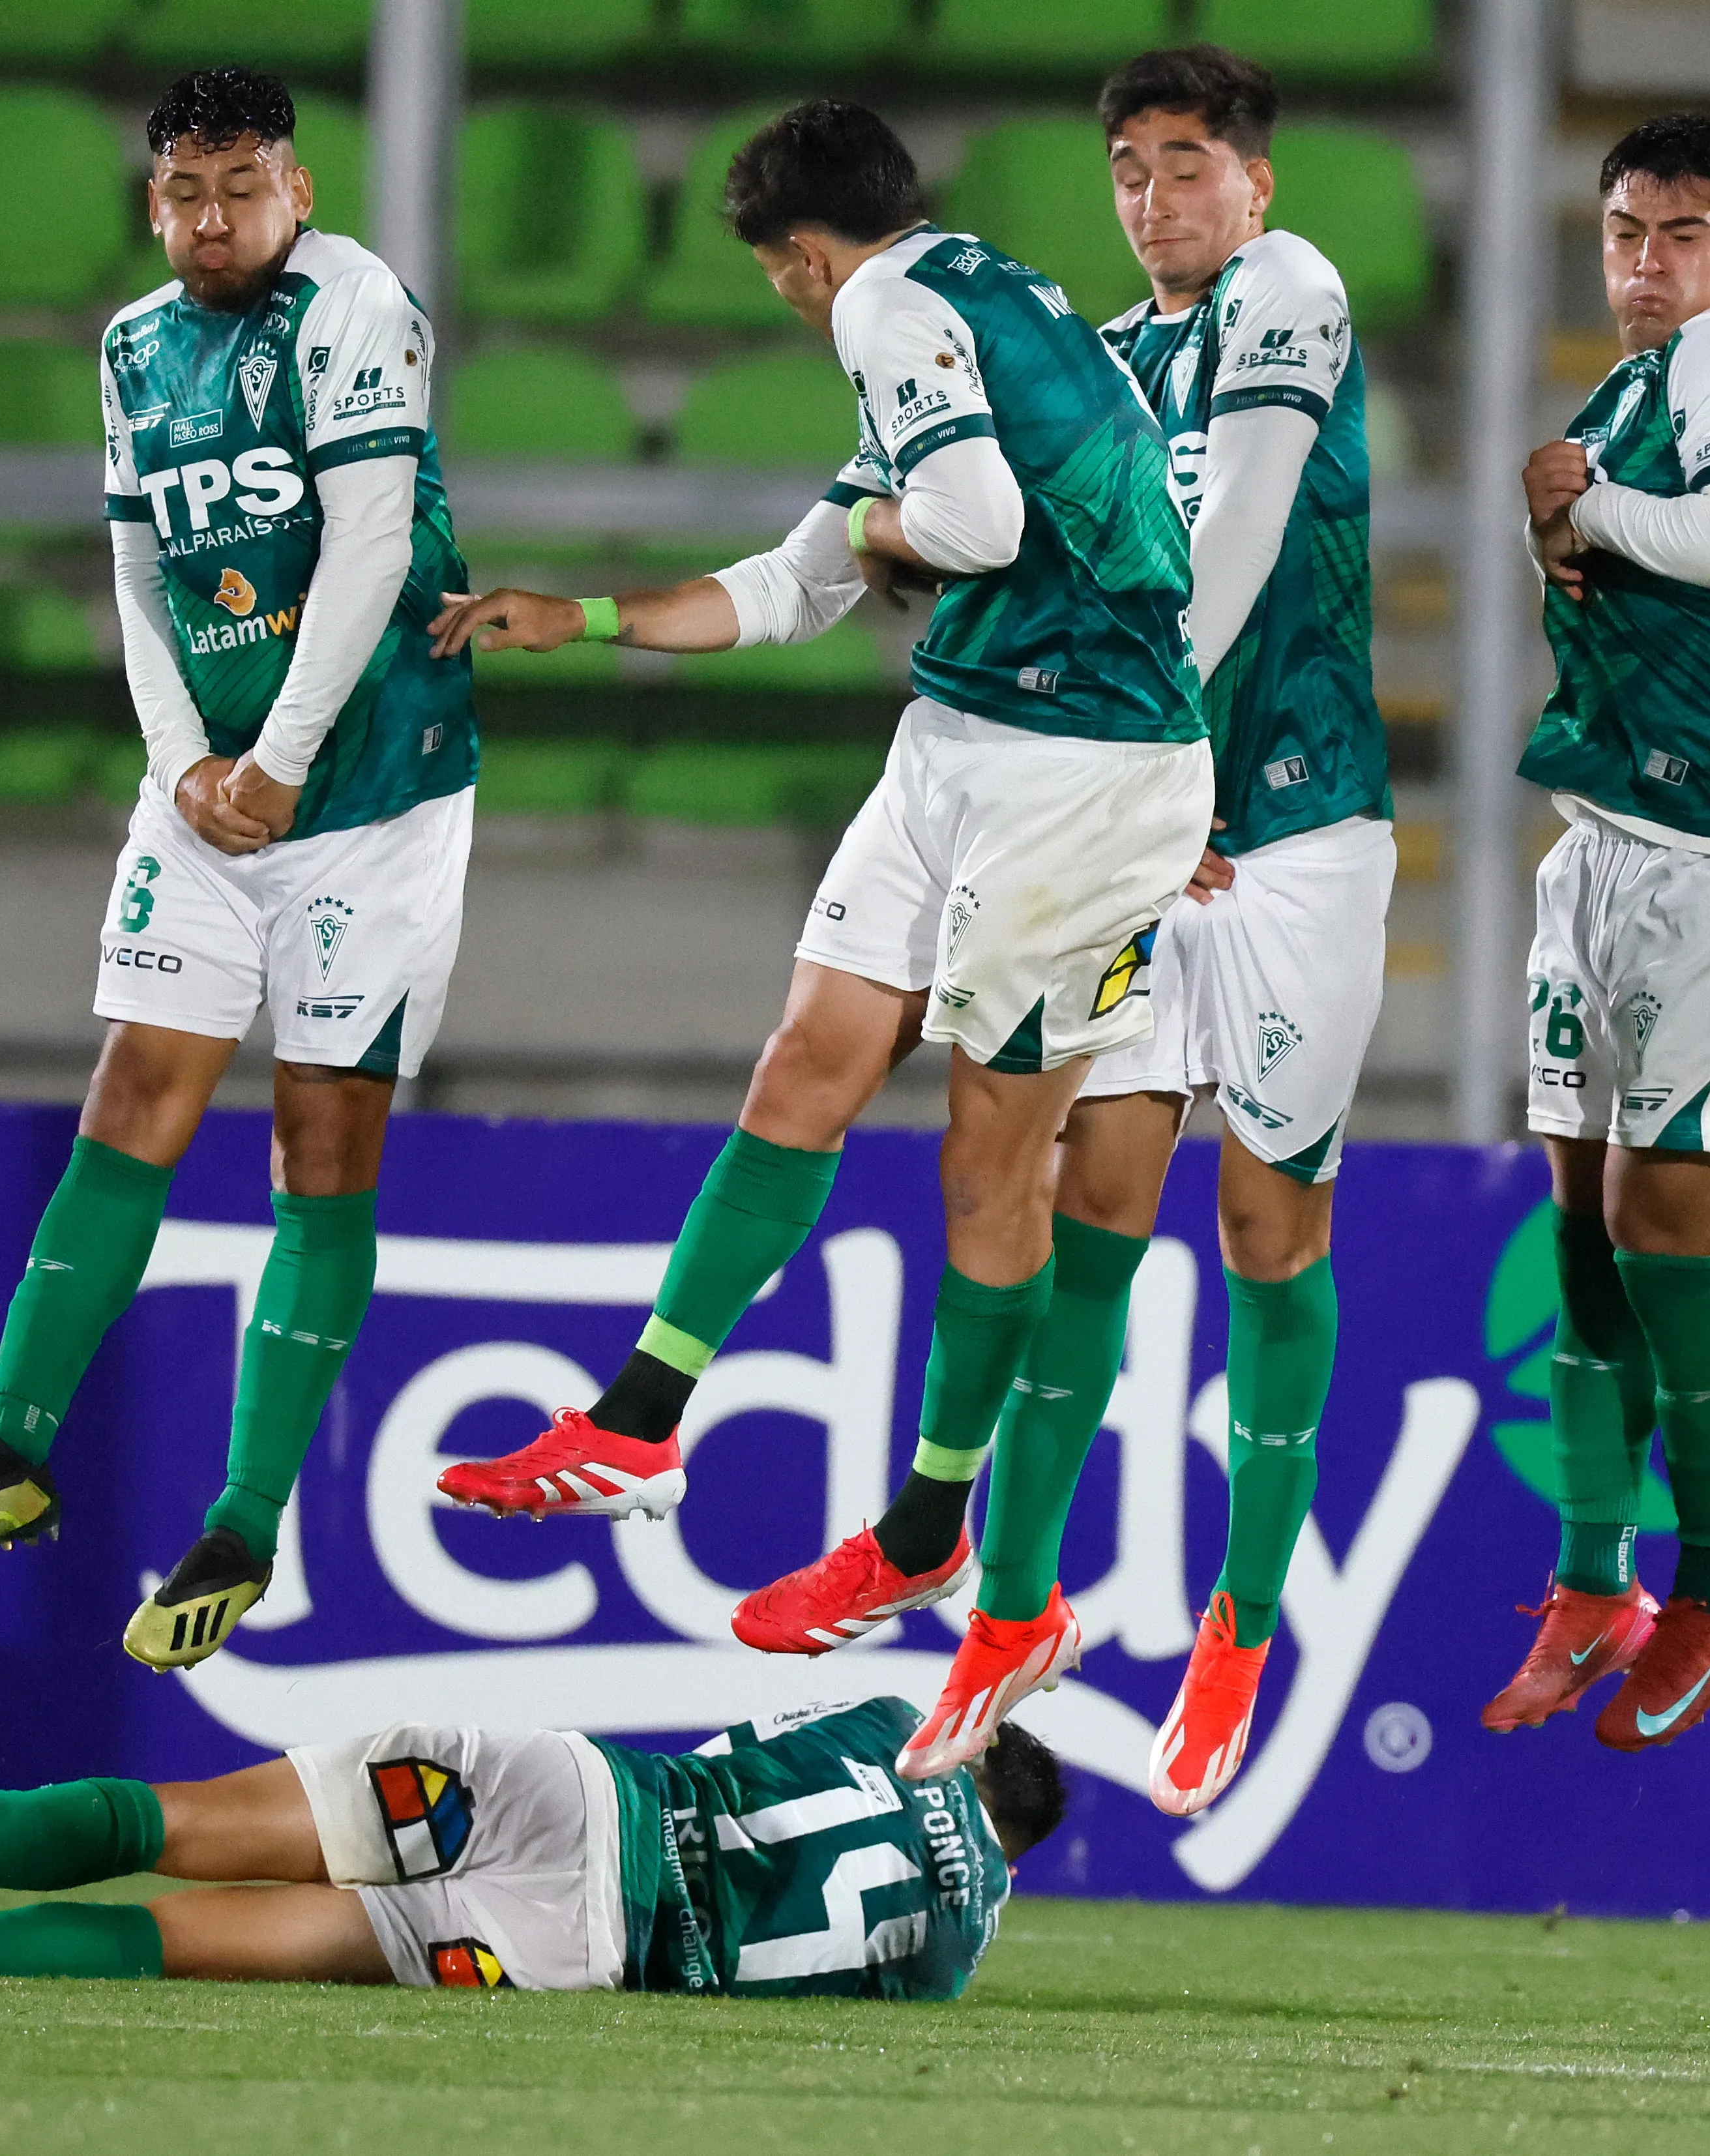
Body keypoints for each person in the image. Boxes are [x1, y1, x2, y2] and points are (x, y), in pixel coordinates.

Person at [420, 101, 1208, 1784]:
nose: (791, 301)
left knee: (996, 1166)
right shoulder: (978, 301)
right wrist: (600, 619)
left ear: (800, 256)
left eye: (779, 277)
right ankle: (638, 1423)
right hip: (969, 741)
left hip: (1088, 774)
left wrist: (875, 532)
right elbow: (803, 576)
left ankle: (935, 1531)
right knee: (812, 1057)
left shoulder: (886, 310)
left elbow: (971, 527)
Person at [739, 45, 1391, 1822]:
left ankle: (1244, 1624)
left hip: (1295, 832)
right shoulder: (1094, 359)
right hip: (1142, 835)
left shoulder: (1291, 295)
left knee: (1268, 1227)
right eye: (1127, 167)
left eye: (1189, 165)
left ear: (1256, 182)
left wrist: (1135, 748)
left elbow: (1240, 533)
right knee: (1084, 1204)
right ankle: (1009, 1607)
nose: (1156, 198)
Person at [0, 67, 479, 1676]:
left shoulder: (357, 305)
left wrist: (280, 763)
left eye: (241, 189)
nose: (212, 221)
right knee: (134, 1096)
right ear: (152, 197)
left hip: (372, 794)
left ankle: (243, 1519)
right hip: (212, 791)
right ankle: (11, 1450)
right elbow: (139, 558)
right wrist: (181, 766)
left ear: (294, 187)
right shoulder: (130, 344)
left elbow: (370, 548)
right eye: (184, 194)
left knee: (320, 1140)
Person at [1485, 115, 1710, 1752]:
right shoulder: (1626, 396)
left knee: (1660, 1238)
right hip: (1607, 852)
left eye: (1681, 233)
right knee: (1579, 1231)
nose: (1646, 263)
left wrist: (1589, 518)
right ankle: (1589, 1578)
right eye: (1623, 231)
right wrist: (1565, 518)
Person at [0, 1699, 1060, 2000]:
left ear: (978, 1741)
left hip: (575, 1802)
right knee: (190, 1945)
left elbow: (732, 1752)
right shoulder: (953, 1950)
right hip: (571, 1952)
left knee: (170, 1825)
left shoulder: (901, 1724)